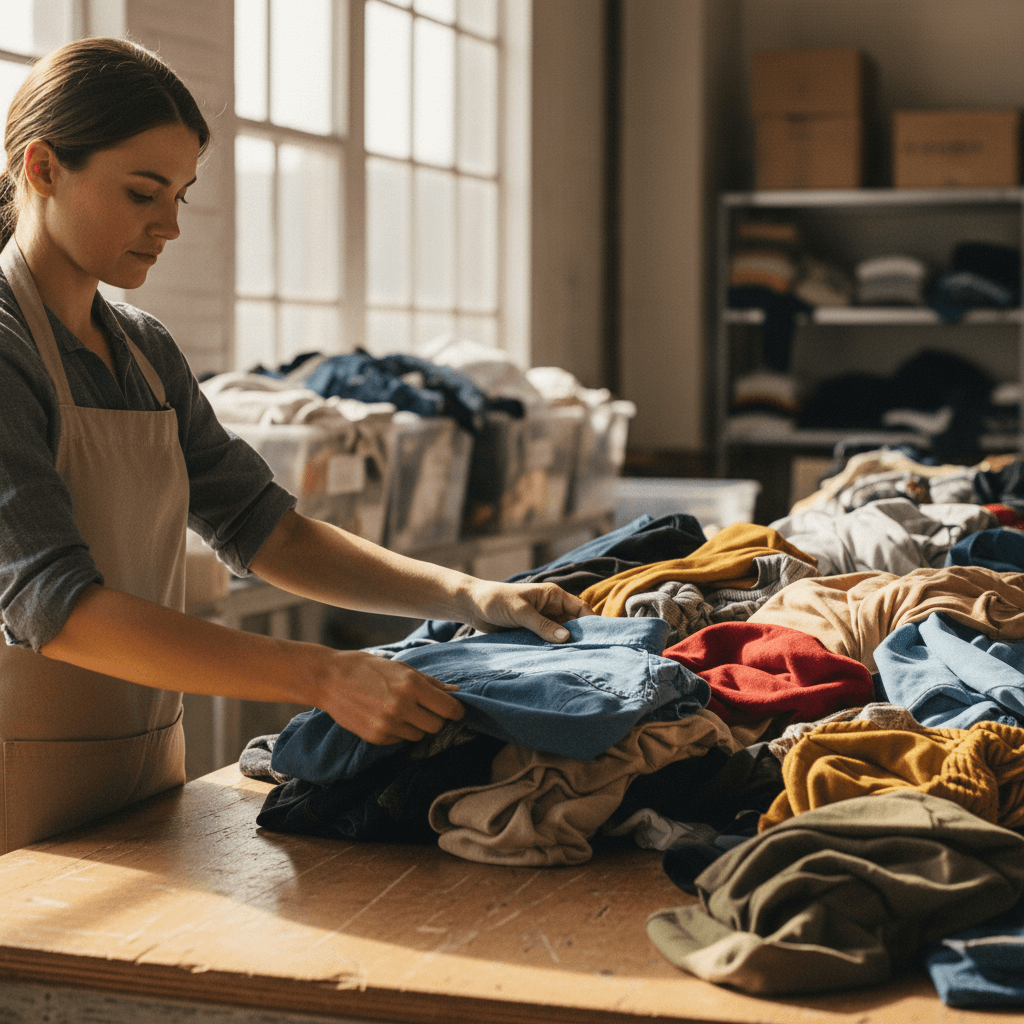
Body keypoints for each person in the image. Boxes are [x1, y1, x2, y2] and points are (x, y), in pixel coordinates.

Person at [0, 37, 592, 854]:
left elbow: (265, 528)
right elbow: (53, 609)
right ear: (42, 169)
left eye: (180, 194)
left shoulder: (143, 351)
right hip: (16, 791)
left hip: (138, 773)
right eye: (143, 193)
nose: (169, 224)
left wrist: (471, 597)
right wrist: (323, 675)